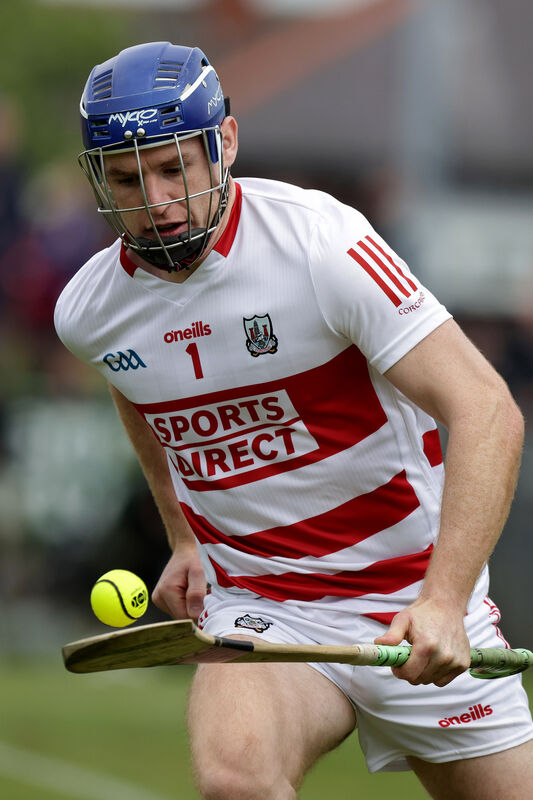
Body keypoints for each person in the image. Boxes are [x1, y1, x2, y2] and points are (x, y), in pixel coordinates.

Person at [54, 42, 533, 799]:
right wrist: (183, 533)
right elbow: (137, 387)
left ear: (227, 145)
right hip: (260, 604)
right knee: (236, 782)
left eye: (175, 167)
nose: (155, 202)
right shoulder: (88, 311)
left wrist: (444, 599)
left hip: (410, 600)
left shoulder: (320, 242)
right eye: (126, 178)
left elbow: (486, 410)